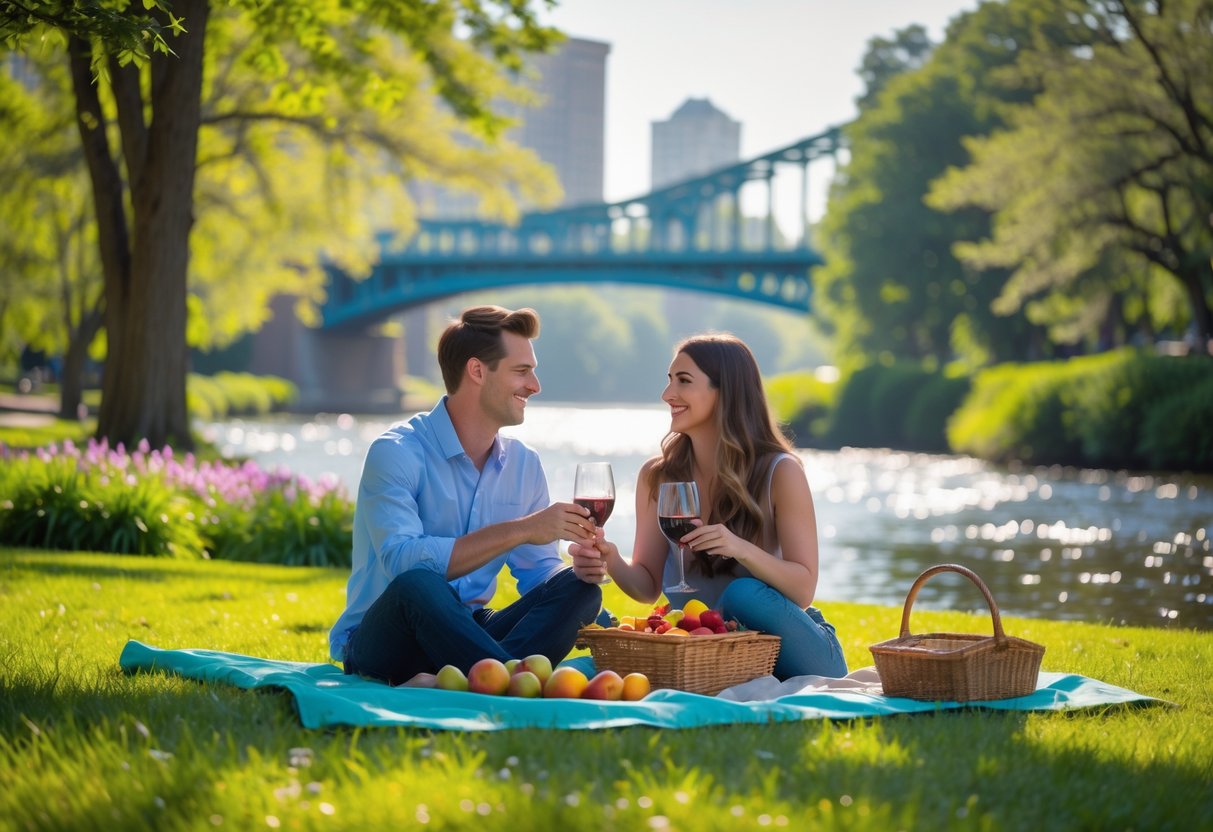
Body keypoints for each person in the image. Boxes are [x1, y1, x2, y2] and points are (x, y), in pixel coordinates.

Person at [329, 305, 604, 685]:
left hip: (467, 631)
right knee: (419, 583)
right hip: (388, 639)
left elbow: (539, 571)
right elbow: (403, 563)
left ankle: (486, 676)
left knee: (580, 590)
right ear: (477, 371)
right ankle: (509, 682)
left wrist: (579, 570)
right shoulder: (396, 451)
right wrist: (522, 528)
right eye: (522, 371)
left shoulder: (524, 464)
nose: (535, 385)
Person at [570, 333, 847, 680]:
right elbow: (647, 586)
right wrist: (608, 555)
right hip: (695, 646)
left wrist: (739, 549)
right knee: (576, 673)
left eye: (683, 381)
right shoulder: (658, 476)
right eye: (669, 380)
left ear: (725, 392)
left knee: (743, 595)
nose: (667, 394)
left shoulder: (780, 472)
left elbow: (803, 590)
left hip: (787, 643)